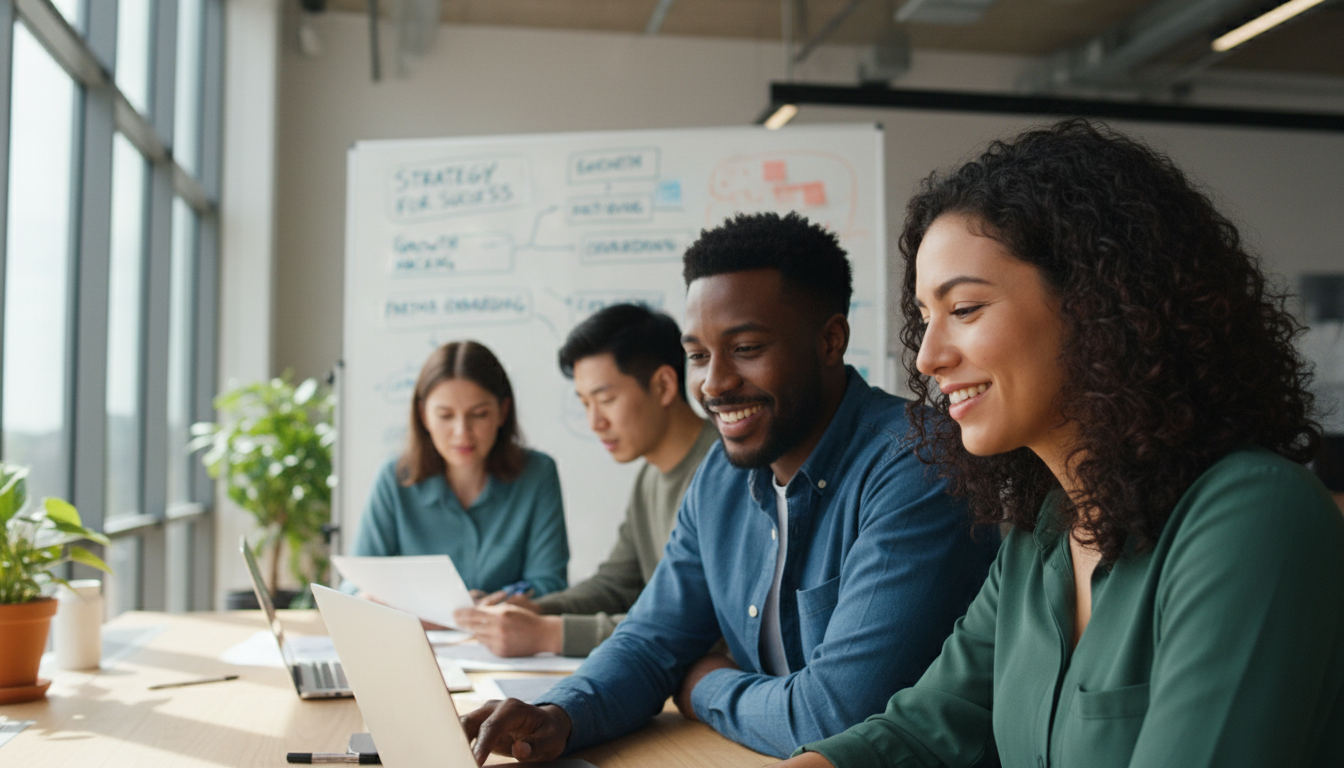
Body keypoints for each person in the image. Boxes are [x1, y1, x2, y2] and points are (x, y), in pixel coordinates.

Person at [772, 120, 1344, 768]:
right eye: (924, 319)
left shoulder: (1252, 517)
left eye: (963, 310)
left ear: (1098, 303)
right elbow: (926, 729)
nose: (927, 357)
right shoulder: (1042, 532)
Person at [461, 212, 999, 761]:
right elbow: (652, 641)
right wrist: (560, 714)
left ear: (831, 340)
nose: (714, 383)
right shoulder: (720, 476)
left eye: (745, 348)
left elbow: (834, 716)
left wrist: (702, 685)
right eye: (698, 355)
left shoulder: (917, 465)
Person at [453, 303, 719, 658]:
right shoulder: (650, 476)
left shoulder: (724, 474)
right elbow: (616, 585)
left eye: (605, 400)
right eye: (584, 402)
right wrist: (537, 610)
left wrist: (551, 634)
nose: (594, 422)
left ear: (664, 385)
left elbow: (698, 626)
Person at [352, 340, 569, 599]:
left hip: (503, 635)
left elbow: (550, 584)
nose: (462, 433)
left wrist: (501, 601)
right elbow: (355, 584)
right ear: (424, 416)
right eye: (445, 416)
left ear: (502, 411)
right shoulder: (394, 478)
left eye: (478, 414)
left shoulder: (537, 474)